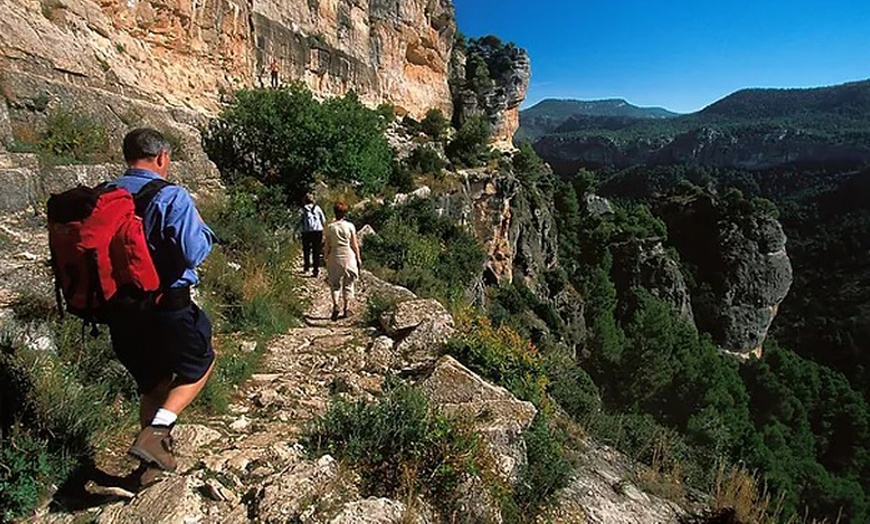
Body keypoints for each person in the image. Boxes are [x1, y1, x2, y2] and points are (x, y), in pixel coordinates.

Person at [109, 128, 217, 477]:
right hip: (166, 304)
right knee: (200, 363)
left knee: (153, 382)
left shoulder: (107, 195)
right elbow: (192, 253)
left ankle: (148, 466)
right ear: (161, 158)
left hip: (120, 309)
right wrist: (203, 230)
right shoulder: (173, 196)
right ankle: (157, 433)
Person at [324, 202, 361, 321]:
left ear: (335, 212)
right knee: (348, 283)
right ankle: (346, 308)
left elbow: (327, 245)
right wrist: (358, 257)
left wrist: (326, 256)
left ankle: (335, 305)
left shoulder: (330, 227)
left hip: (335, 255)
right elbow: (354, 245)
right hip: (348, 254)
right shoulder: (350, 226)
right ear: (345, 213)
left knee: (334, 283)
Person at [300, 194, 326, 277]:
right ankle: (315, 270)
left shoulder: (303, 209)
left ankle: (306, 267)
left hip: (306, 232)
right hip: (318, 231)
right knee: (316, 251)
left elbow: (299, 221)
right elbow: (323, 219)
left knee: (306, 250)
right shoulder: (317, 208)